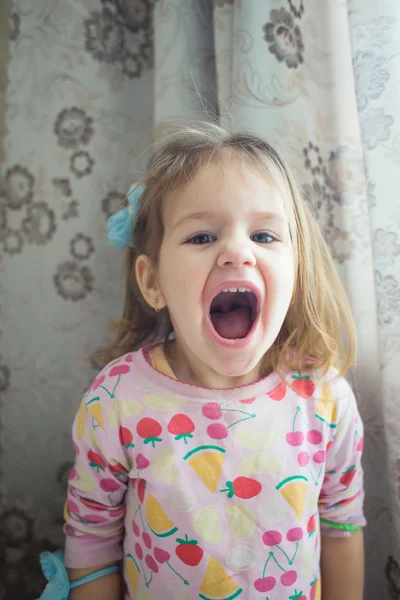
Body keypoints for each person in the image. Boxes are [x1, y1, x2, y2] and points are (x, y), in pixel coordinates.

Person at [38, 123, 365, 600]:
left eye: (265, 235)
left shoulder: (325, 397)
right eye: (202, 237)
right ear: (152, 282)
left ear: (295, 269)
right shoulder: (116, 401)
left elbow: (342, 527)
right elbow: (91, 544)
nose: (237, 251)